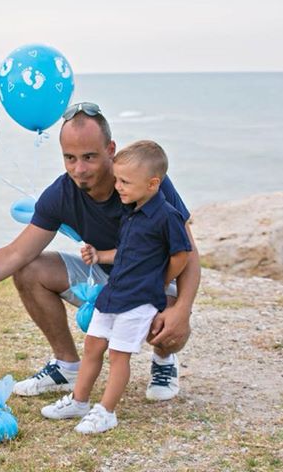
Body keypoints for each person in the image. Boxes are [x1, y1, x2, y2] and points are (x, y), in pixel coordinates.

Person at [0, 102, 200, 401]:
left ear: (110, 149)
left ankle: (164, 360)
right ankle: (66, 365)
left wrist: (181, 309)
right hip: (105, 275)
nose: (79, 169)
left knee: (167, 325)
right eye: (70, 158)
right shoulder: (60, 195)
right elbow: (15, 253)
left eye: (89, 157)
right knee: (29, 269)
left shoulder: (145, 181)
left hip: (152, 278)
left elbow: (188, 253)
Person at [40, 140, 191, 434]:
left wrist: (158, 280)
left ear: (152, 184)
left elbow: (182, 254)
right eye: (117, 179)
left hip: (139, 299)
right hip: (113, 294)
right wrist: (100, 256)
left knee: (118, 355)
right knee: (93, 345)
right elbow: (127, 251)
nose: (117, 186)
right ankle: (79, 401)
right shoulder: (131, 210)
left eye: (124, 181)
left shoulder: (167, 216)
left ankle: (106, 412)